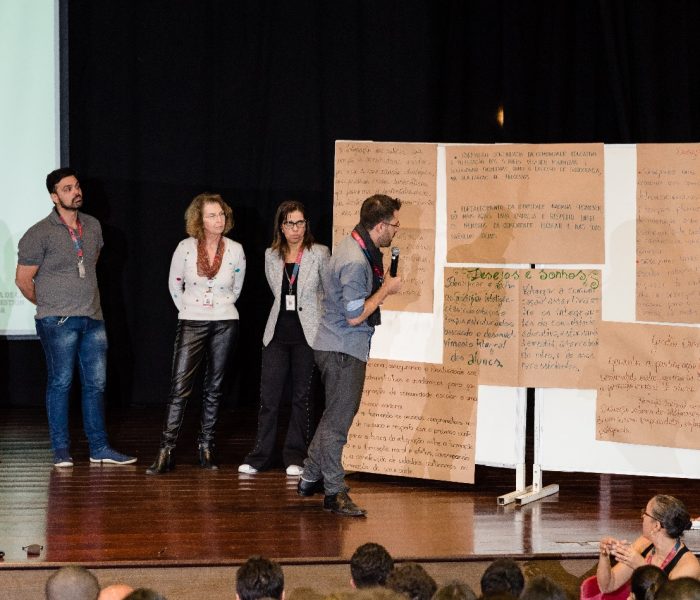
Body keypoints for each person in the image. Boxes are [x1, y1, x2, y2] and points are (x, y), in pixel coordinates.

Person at [16, 167, 136, 467]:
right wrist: (50, 306)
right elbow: (23, 280)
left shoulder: (93, 226)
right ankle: (61, 449)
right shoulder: (38, 233)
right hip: (57, 320)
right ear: (54, 196)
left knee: (96, 385)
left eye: (77, 186)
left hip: (92, 317)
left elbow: (90, 264)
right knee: (61, 383)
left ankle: (99, 447)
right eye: (67, 189)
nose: (76, 192)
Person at [297, 194, 402, 517]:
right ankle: (334, 491)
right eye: (395, 225)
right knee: (338, 424)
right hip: (342, 349)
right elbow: (355, 315)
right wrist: (386, 290)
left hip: (337, 345)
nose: (397, 230)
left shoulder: (355, 245)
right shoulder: (356, 260)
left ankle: (309, 476)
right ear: (380, 225)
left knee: (334, 417)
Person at [146, 193, 245, 474]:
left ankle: (206, 446)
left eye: (221, 214)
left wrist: (220, 307)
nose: (218, 220)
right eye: (212, 215)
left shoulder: (235, 249)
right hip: (192, 320)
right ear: (199, 220)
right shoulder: (185, 248)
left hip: (225, 321)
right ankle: (166, 450)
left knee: (214, 387)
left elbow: (237, 287)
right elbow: (174, 285)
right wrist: (191, 309)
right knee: (180, 387)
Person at [238, 201, 329, 476]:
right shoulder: (271, 255)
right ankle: (260, 456)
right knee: (269, 398)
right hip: (277, 333)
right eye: (290, 223)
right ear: (281, 226)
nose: (296, 229)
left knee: (302, 398)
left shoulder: (319, 253)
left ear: (306, 225)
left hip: (307, 335)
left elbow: (326, 293)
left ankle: (295, 456)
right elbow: (277, 293)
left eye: (300, 223)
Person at [595, 495, 700, 595]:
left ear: (656, 526)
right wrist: (604, 555)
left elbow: (666, 596)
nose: (643, 516)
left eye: (645, 513)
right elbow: (608, 585)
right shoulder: (643, 543)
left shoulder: (689, 566)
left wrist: (642, 566)